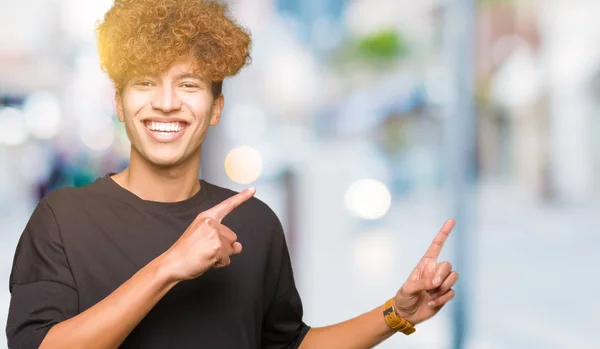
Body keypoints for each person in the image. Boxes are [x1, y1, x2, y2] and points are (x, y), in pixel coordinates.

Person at [6, 0, 459, 348]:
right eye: (145, 82)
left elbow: (288, 344)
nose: (166, 102)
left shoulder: (254, 224)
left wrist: (396, 315)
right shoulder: (61, 219)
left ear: (217, 107)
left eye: (188, 85)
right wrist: (169, 267)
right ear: (119, 102)